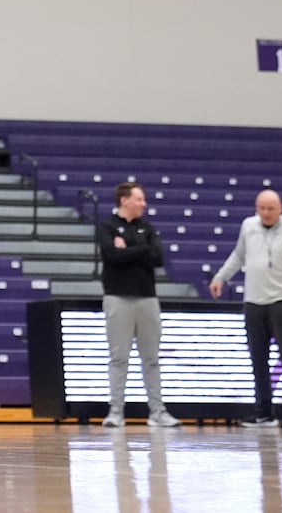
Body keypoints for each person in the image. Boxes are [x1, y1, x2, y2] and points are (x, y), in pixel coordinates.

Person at [210, 189, 282, 429]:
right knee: (258, 359)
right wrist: (220, 277)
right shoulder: (248, 226)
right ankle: (263, 411)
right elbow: (238, 255)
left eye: (270, 209)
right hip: (254, 301)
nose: (265, 213)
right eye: (261, 208)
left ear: (280, 208)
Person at [97, 181, 179, 428]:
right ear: (124, 200)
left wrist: (130, 249)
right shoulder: (107, 226)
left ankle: (157, 411)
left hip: (147, 298)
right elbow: (111, 255)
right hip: (118, 297)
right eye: (140, 199)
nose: (144, 204)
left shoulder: (147, 228)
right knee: (119, 357)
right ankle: (115, 411)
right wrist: (140, 251)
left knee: (151, 358)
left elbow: (157, 257)